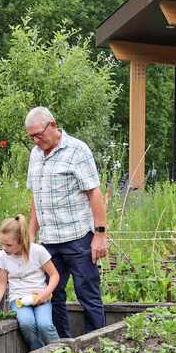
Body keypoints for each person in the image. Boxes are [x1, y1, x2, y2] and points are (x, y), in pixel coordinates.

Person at [25, 106, 107, 338]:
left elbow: (95, 194)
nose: (35, 140)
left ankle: (97, 343)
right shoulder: (35, 154)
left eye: (38, 134)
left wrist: (100, 234)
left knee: (87, 292)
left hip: (78, 237)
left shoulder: (77, 150)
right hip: (48, 241)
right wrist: (30, 236)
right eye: (31, 136)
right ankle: (61, 344)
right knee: (53, 294)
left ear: (52, 125)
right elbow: (36, 197)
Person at [0, 214, 60, 351]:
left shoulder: (38, 251)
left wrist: (46, 293)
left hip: (40, 297)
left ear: (22, 241)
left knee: (45, 325)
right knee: (26, 323)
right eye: (2, 244)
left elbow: (54, 275)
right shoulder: (2, 256)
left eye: (8, 245)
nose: (4, 248)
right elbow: (2, 283)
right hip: (18, 299)